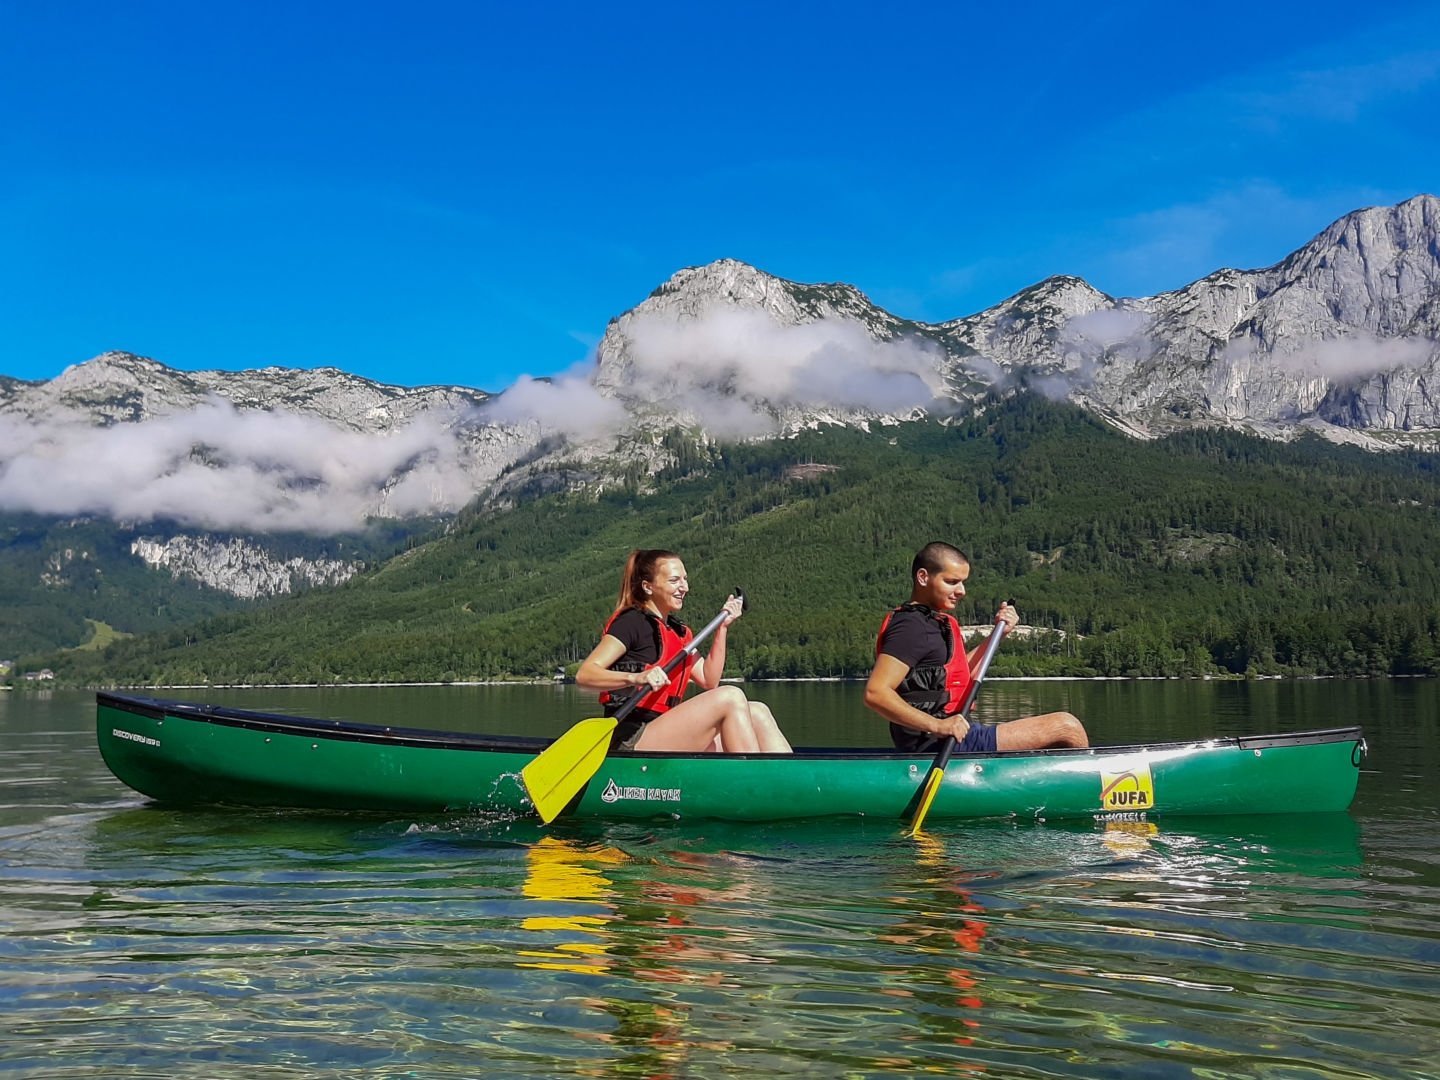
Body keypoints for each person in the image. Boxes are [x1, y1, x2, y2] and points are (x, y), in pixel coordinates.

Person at [864, 541, 1088, 754]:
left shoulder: (933, 623)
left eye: (963, 582)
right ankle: (1093, 792)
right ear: (923, 577)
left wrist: (999, 634)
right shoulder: (911, 626)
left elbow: (961, 671)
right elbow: (876, 693)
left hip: (956, 735)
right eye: (952, 582)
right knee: (1066, 727)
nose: (961, 590)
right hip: (938, 744)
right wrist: (938, 725)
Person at [576, 549, 793, 753]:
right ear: (648, 587)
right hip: (630, 736)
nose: (684, 588)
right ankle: (753, 785)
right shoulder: (631, 623)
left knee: (757, 712)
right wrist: (637, 677)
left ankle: (790, 782)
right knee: (731, 696)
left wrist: (722, 628)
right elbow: (585, 674)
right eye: (674, 580)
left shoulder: (679, 632)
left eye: (685, 579)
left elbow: (709, 680)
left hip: (664, 729)